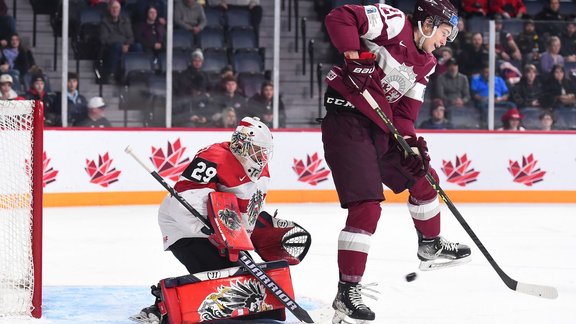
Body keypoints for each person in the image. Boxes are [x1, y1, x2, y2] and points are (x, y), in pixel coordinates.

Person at [322, 1, 471, 323]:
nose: (445, 41)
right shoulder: (393, 22)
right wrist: (352, 54)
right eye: (445, 32)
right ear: (428, 23)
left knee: (424, 179)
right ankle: (348, 292)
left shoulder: (427, 63)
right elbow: (341, 16)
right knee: (367, 206)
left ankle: (430, 245)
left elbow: (404, 115)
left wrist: (412, 145)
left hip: (382, 127)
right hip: (347, 122)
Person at [131, 117, 305, 323]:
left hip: (223, 233)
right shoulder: (213, 157)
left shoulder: (261, 170)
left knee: (247, 288)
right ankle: (163, 305)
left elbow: (247, 213)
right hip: (184, 228)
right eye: (257, 150)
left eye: (264, 150)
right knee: (227, 283)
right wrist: (211, 234)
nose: (262, 156)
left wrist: (256, 232)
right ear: (241, 144)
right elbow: (184, 203)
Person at [100, 0, 142, 81]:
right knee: (117, 46)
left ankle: (137, 74)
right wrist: (122, 43)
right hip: (111, 47)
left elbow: (131, 37)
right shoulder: (104, 22)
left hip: (126, 45)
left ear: (119, 10)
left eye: (117, 8)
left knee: (138, 46)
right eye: (113, 8)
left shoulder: (125, 20)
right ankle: (112, 74)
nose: (115, 10)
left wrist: (127, 44)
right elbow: (104, 39)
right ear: (109, 9)